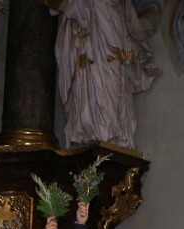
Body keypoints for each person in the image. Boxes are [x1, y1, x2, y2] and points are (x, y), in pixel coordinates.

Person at [53, 0, 160, 149]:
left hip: (112, 34)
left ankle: (112, 134)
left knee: (115, 85)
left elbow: (129, 26)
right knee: (87, 81)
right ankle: (90, 131)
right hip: (89, 42)